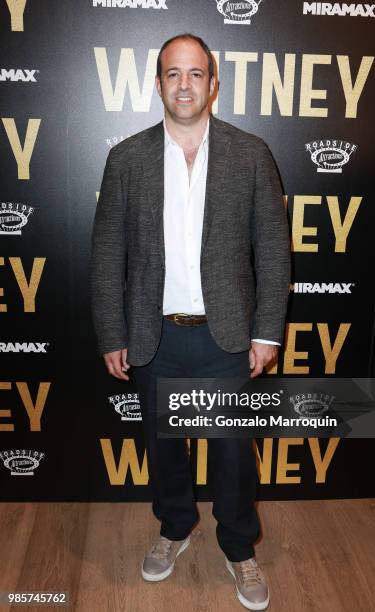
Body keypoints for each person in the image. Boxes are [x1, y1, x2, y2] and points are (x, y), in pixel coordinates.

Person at [90, 33, 290, 611]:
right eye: (173, 74)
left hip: (226, 337)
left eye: (196, 74)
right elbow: (107, 253)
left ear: (213, 83)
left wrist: (266, 331)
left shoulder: (251, 154)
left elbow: (274, 252)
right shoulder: (126, 158)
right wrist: (113, 333)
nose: (184, 85)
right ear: (158, 84)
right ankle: (174, 528)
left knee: (233, 454)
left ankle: (238, 546)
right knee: (164, 447)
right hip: (154, 337)